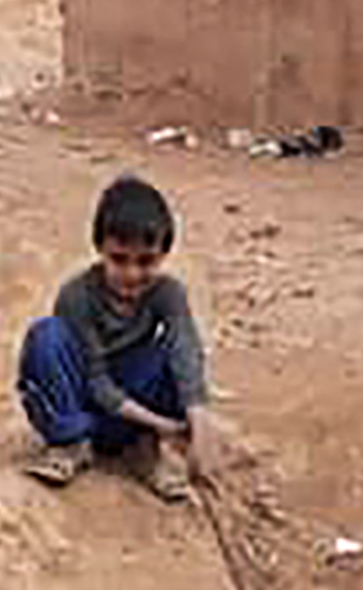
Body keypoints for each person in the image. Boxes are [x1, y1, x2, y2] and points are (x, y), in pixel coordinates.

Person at [16, 174, 226, 500]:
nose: (132, 274)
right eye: (119, 259)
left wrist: (199, 425)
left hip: (131, 415)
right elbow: (96, 382)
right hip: (85, 406)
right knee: (45, 336)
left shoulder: (168, 293)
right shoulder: (77, 295)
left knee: (175, 352)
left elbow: (186, 351)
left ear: (164, 253)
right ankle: (70, 446)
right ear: (99, 249)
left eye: (146, 261)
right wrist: (162, 425)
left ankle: (143, 450)